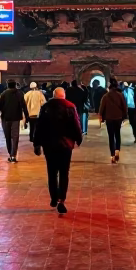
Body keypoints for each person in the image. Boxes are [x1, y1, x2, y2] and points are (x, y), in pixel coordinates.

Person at [33, 86, 83, 214]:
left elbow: (39, 126)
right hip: (65, 145)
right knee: (64, 172)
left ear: (54, 95)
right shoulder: (70, 106)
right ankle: (61, 199)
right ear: (64, 95)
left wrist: (36, 143)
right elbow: (76, 124)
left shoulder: (46, 107)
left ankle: (53, 198)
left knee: (52, 172)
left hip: (49, 144)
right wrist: (78, 139)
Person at [0, 79, 29, 162]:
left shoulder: (4, 94)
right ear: (15, 85)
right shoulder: (20, 93)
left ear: (8, 85)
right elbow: (24, 106)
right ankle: (13, 155)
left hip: (5, 118)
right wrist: (27, 117)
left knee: (7, 137)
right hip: (16, 118)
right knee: (15, 137)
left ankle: (10, 153)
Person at [99, 78, 128, 162]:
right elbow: (124, 107)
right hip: (118, 118)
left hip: (109, 118)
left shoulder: (105, 96)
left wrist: (101, 117)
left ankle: (112, 155)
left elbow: (101, 108)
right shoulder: (120, 95)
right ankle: (117, 151)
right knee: (117, 135)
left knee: (111, 136)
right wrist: (124, 116)